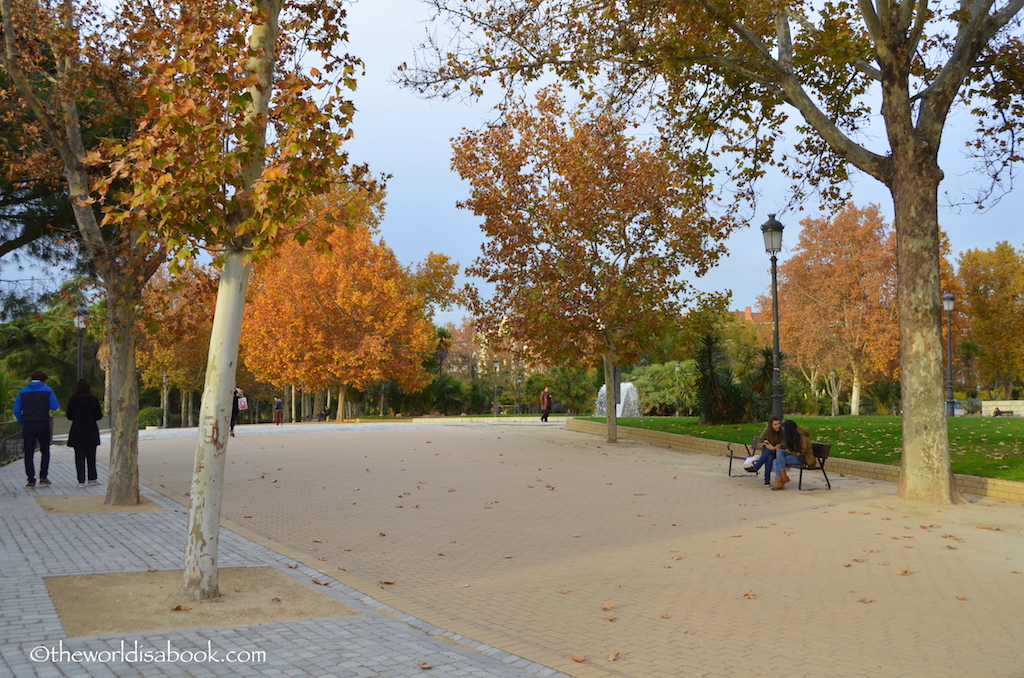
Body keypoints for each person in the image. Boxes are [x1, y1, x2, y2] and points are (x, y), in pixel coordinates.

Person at [14, 371, 59, 489]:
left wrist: (22, 421)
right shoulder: (48, 390)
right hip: (43, 423)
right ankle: (43, 477)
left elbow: (16, 410)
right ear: (44, 380)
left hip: (28, 424)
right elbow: (54, 406)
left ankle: (30, 480)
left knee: (28, 453)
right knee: (45, 451)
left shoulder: (22, 391)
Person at [66, 379, 103, 487]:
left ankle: (80, 481)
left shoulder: (73, 400)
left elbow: (69, 416)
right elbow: (99, 416)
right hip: (91, 430)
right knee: (91, 456)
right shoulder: (94, 400)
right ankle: (92, 478)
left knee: (79, 457)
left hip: (77, 430)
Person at [771, 419, 817, 491]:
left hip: (802, 458)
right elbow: (790, 446)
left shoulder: (802, 436)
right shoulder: (791, 435)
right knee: (779, 452)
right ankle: (783, 477)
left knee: (776, 461)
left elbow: (803, 452)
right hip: (793, 455)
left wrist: (790, 452)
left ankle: (780, 481)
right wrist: (781, 446)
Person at [746, 416, 784, 485]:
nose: (777, 426)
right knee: (769, 456)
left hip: (778, 453)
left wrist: (776, 447)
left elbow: (785, 443)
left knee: (769, 453)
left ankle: (756, 468)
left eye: (779, 424)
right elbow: (759, 443)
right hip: (768, 452)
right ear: (771, 425)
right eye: (775, 425)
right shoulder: (767, 430)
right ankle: (767, 481)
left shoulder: (783, 431)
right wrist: (765, 444)